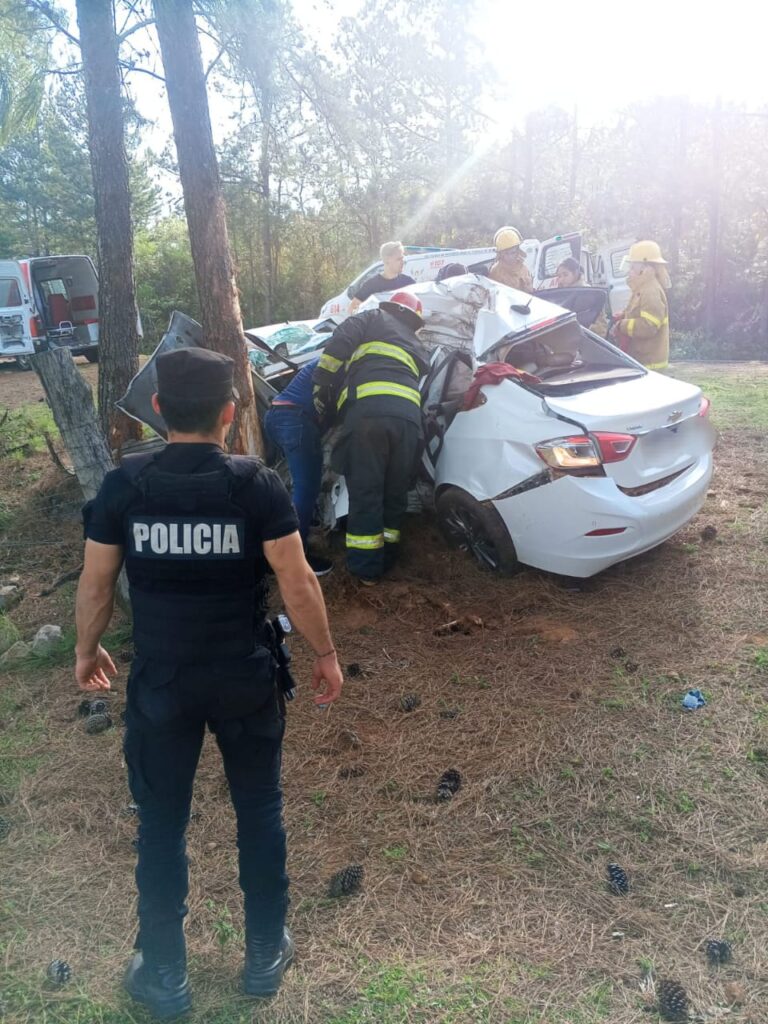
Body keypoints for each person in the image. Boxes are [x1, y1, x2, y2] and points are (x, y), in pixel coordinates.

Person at [75, 348, 343, 1020]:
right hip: (243, 679)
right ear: (231, 410)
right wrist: (326, 653)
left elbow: (97, 581)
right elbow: (298, 579)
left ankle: (164, 975)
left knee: (160, 826)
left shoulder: (124, 486)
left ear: (160, 409)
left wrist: (85, 649)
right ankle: (262, 954)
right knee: (259, 810)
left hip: (163, 683)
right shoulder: (255, 486)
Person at [312, 291, 429, 584]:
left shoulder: (372, 316)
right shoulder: (418, 344)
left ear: (389, 306)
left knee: (367, 492)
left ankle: (366, 569)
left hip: (368, 415)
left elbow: (339, 342)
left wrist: (321, 385)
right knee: (394, 492)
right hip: (408, 422)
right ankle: (389, 557)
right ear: (414, 319)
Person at [263, 357, 332, 576]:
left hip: (278, 415)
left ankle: (279, 548)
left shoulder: (330, 355)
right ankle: (295, 559)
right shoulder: (346, 358)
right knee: (306, 489)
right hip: (295, 419)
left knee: (297, 487)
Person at [613, 240, 671, 370]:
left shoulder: (651, 290)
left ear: (645, 268)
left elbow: (648, 326)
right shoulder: (642, 287)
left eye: (633, 267)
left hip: (650, 365)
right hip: (642, 360)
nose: (629, 271)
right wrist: (624, 315)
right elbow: (639, 312)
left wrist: (623, 325)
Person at [348, 241, 415, 312]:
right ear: (386, 260)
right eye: (399, 259)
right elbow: (352, 309)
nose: (403, 261)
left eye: (402, 258)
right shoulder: (372, 285)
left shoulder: (408, 282)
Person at [552, 256, 608, 337]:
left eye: (565, 275)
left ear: (575, 273)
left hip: (590, 339)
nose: (561, 279)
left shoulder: (586, 293)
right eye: (559, 276)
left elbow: (599, 326)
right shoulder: (565, 293)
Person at [488, 226, 533, 293]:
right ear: (500, 254)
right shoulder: (495, 271)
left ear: (518, 251)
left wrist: (528, 287)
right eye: (506, 253)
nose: (510, 256)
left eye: (513, 252)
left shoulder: (523, 268)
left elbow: (530, 293)